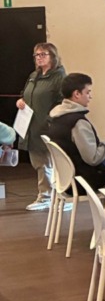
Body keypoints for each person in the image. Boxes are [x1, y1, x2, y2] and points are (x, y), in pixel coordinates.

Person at [44, 73, 105, 191]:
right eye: (87, 92)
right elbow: (93, 158)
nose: (90, 97)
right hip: (84, 181)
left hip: (65, 181)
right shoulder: (78, 123)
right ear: (77, 94)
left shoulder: (56, 117)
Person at [16, 42, 65, 210]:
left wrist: (50, 120)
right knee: (39, 162)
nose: (39, 58)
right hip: (31, 126)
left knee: (47, 162)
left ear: (53, 56)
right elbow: (26, 94)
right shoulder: (34, 75)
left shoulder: (59, 76)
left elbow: (62, 102)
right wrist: (21, 101)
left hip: (47, 126)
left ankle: (48, 196)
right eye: (36, 55)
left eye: (43, 54)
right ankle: (45, 194)